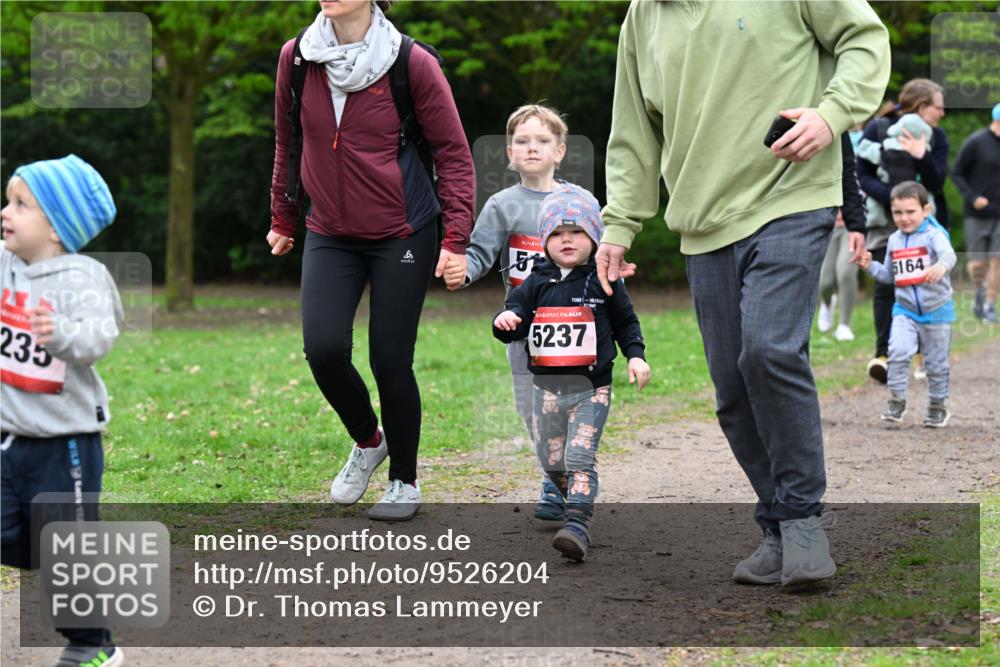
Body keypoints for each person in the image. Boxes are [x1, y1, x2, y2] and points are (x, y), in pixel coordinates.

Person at [599, 0, 890, 586]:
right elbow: (633, 134)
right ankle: (779, 526)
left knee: (769, 350)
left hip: (792, 194)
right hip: (702, 220)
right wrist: (619, 225)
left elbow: (865, 40)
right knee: (732, 387)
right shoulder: (641, 17)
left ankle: (805, 518)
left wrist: (830, 115)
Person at [268, 0, 475, 521]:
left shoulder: (411, 63)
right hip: (329, 231)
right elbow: (288, 142)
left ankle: (404, 480)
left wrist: (456, 239)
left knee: (389, 358)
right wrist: (282, 216)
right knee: (322, 349)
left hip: (402, 230)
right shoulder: (297, 59)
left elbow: (453, 154)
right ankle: (368, 439)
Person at [1, 155, 124, 666]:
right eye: (8, 200)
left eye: (20, 204)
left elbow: (100, 335)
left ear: (56, 227)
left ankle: (93, 646)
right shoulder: (5, 262)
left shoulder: (82, 276)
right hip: (9, 439)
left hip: (67, 444)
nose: (6, 211)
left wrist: (63, 334)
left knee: (67, 554)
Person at [492, 185, 650, 562]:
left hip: (591, 388)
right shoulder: (535, 282)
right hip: (545, 389)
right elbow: (512, 325)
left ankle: (577, 524)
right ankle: (565, 495)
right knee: (552, 459)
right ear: (544, 240)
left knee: (580, 455)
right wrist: (505, 322)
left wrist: (636, 356)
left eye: (577, 232)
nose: (567, 240)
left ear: (594, 237)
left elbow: (626, 323)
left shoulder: (605, 280)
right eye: (557, 234)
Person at [448, 104, 573, 520]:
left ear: (559, 151)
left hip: (574, 329)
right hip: (522, 329)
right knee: (531, 411)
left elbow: (599, 258)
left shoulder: (577, 201)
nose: (532, 147)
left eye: (542, 140)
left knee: (568, 407)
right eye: (522, 140)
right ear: (509, 152)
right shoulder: (502, 205)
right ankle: (556, 475)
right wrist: (460, 271)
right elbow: (480, 254)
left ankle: (567, 480)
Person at [859, 79, 950, 383]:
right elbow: (862, 175)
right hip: (885, 223)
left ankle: (924, 354)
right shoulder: (879, 129)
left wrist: (922, 155)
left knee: (926, 285)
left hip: (927, 224)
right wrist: (896, 202)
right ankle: (883, 355)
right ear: (922, 107)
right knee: (887, 286)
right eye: (938, 107)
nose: (942, 113)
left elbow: (937, 184)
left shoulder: (937, 137)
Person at [857, 182, 956, 427]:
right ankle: (897, 399)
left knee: (935, 363)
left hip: (937, 310)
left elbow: (949, 255)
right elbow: (890, 276)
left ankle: (937, 405)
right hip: (905, 310)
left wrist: (940, 267)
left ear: (926, 210)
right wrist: (869, 265)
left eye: (910, 212)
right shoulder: (894, 240)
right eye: (897, 212)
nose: (904, 218)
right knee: (898, 353)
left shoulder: (934, 236)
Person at [951, 103, 1000, 323]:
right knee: (978, 263)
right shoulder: (976, 142)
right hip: (977, 214)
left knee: (997, 260)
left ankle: (990, 306)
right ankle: (978, 296)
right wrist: (973, 197)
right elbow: (957, 173)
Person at [817, 133, 867, 342]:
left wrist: (857, 223)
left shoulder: (864, 150)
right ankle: (827, 304)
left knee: (845, 273)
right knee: (824, 281)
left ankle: (844, 325)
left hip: (849, 226)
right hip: (826, 224)